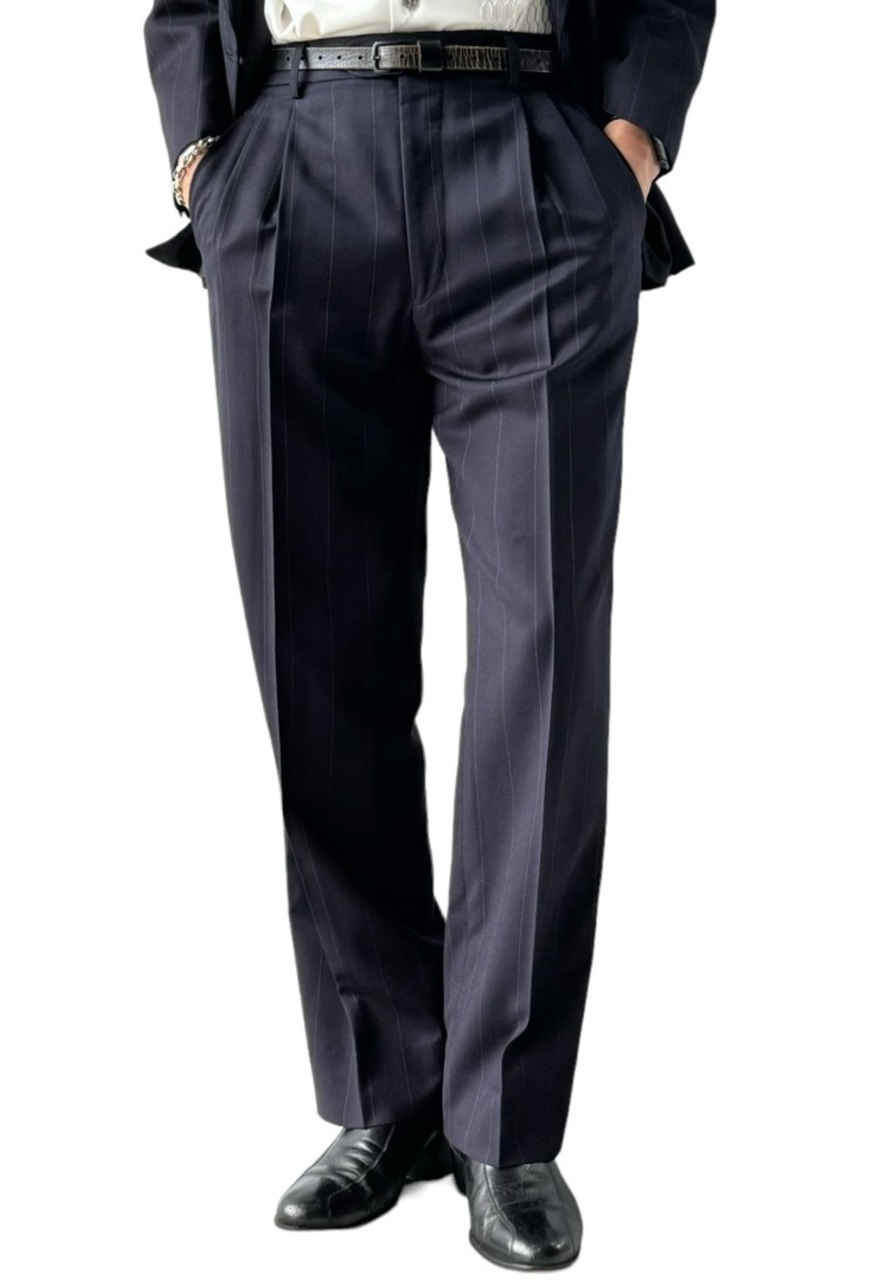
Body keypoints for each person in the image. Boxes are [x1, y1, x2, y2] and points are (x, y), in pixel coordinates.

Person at [142, 1, 714, 1269]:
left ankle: (505, 1121)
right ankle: (384, 1087)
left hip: (530, 145)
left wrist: (630, 140)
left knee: (543, 652)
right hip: (294, 144)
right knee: (314, 656)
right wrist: (197, 150)